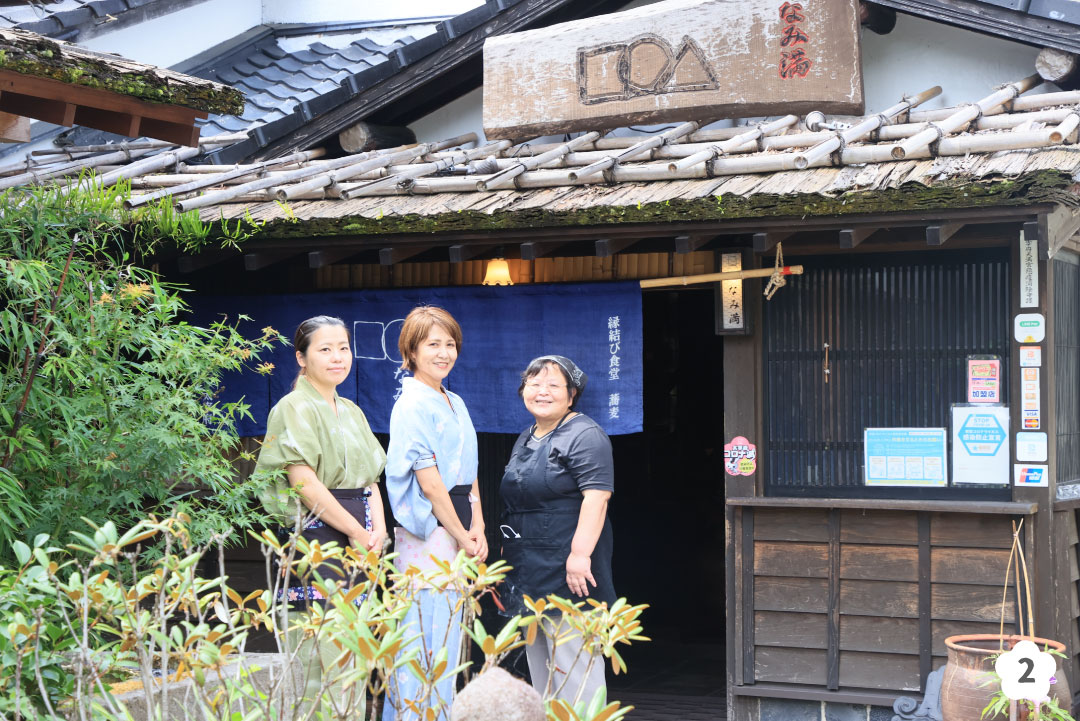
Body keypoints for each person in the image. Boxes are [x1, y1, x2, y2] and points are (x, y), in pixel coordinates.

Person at [254, 315, 388, 716]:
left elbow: (370, 482)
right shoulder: (292, 407)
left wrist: (377, 533)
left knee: (355, 654)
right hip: (317, 533)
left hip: (361, 539)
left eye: (343, 348)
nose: (337, 357)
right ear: (301, 357)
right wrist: (354, 530)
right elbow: (303, 481)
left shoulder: (351, 410)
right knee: (318, 658)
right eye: (324, 349)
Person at [384, 305, 487, 721]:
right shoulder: (410, 404)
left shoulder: (454, 399)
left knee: (447, 635)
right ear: (411, 350)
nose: (443, 353)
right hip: (430, 530)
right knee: (423, 636)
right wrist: (463, 535)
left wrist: (478, 523)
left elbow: (470, 468)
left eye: (449, 344)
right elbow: (429, 482)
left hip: (460, 523)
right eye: (432, 344)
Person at [500, 355, 615, 706]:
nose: (541, 392)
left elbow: (597, 498)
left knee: (574, 666)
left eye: (552, 385)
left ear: (572, 394)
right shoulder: (527, 435)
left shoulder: (585, 434)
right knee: (542, 667)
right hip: (529, 565)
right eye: (534, 384)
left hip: (569, 567)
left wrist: (580, 556)